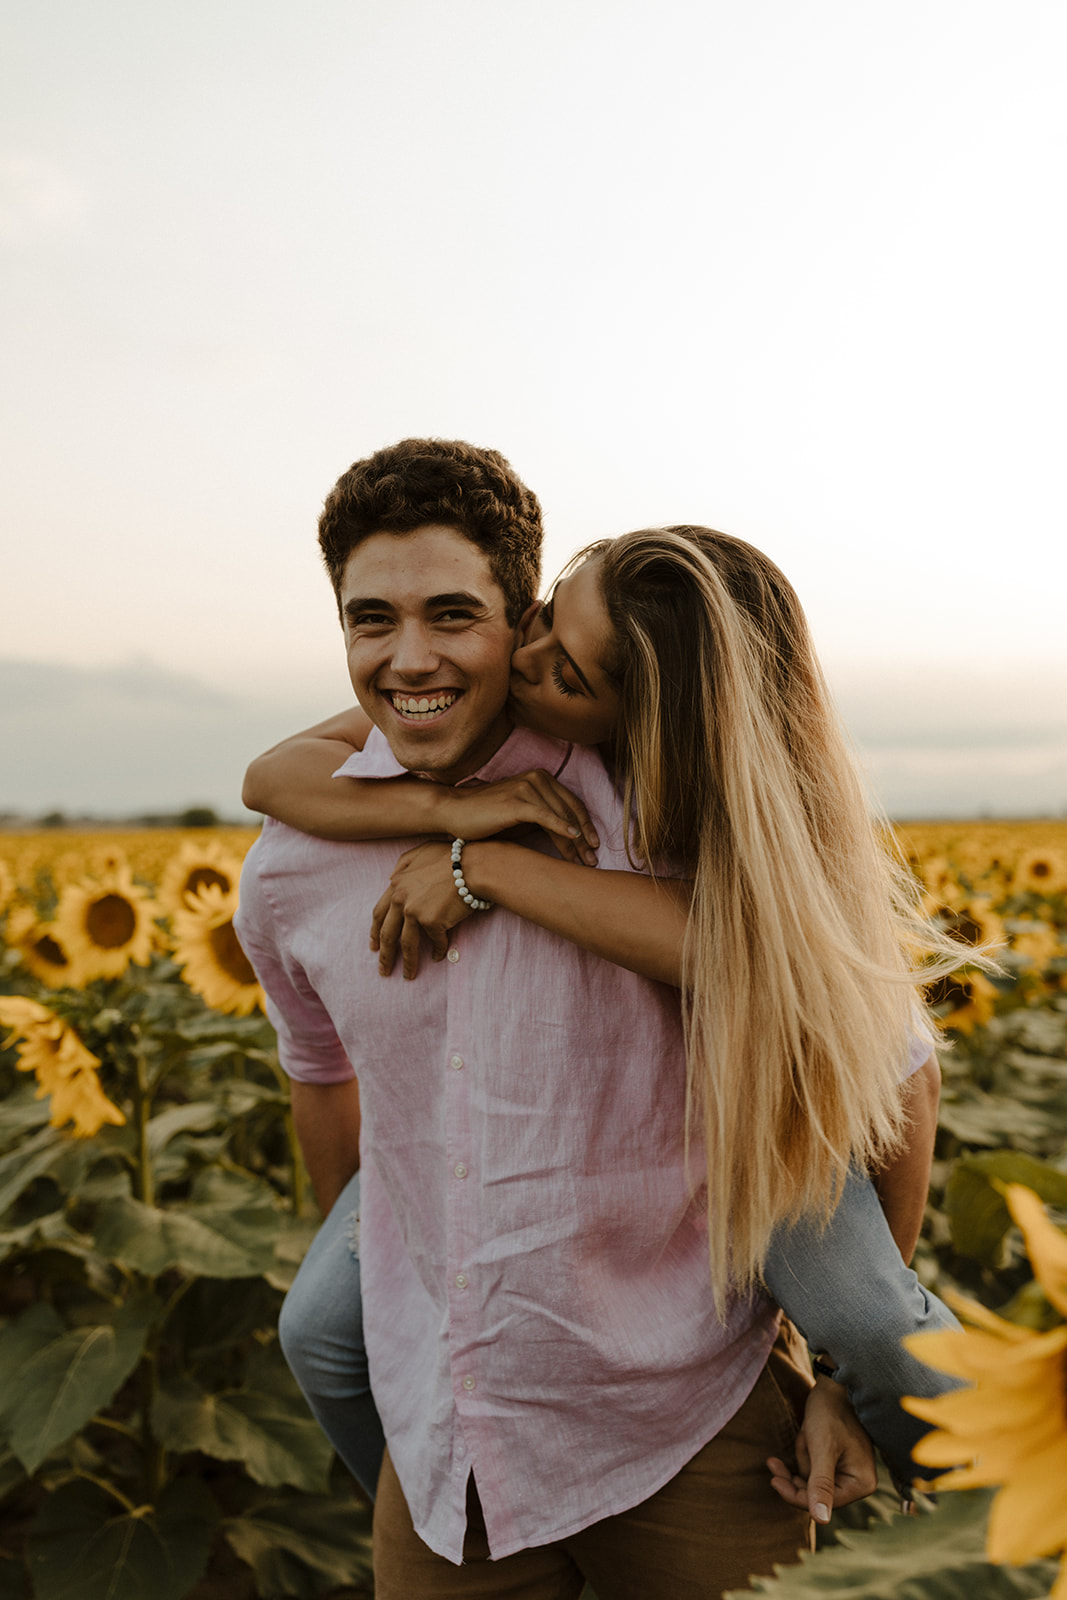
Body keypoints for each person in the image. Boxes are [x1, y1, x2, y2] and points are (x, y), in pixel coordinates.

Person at [235, 439, 962, 1598]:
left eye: (556, 662)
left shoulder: (659, 795)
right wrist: (442, 804)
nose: (419, 656)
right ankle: (435, 1482)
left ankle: (962, 1489)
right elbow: (273, 781)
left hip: (701, 1333)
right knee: (322, 1328)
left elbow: (881, 1052)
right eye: (371, 618)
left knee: (869, 1314)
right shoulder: (303, 854)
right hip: (454, 1434)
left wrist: (485, 866)